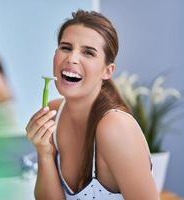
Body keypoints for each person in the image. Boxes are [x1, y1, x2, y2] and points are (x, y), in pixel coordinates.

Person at [26, 10, 159, 200]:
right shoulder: (54, 112)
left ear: (107, 71)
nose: (72, 58)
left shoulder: (115, 127)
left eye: (88, 52)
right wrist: (44, 153)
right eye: (66, 47)